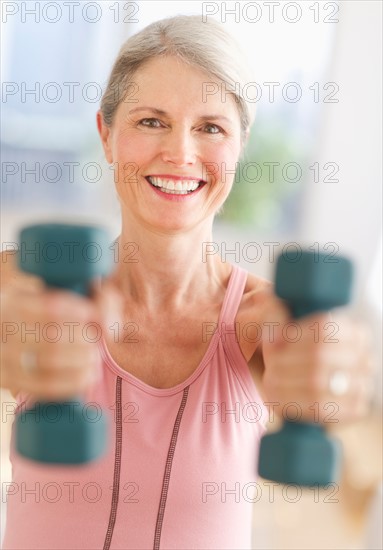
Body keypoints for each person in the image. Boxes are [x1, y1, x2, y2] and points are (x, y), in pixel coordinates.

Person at [1, 15, 373, 550]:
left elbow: (318, 370)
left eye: (210, 127)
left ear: (240, 147)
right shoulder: (33, 294)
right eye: (151, 121)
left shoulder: (265, 324)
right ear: (106, 135)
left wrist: (335, 376)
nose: (180, 153)